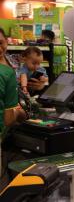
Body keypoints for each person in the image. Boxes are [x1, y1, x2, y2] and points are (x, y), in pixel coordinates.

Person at [0, 28, 27, 171]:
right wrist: (19, 113)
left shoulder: (12, 59)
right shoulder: (6, 73)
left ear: (7, 41)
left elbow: (22, 75)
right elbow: (9, 118)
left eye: (1, 43)